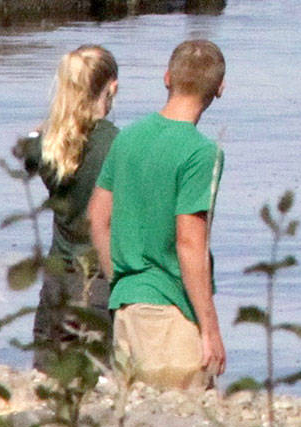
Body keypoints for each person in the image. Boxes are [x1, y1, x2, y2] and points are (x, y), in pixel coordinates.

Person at [89, 39, 226, 391]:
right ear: (220, 89)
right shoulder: (201, 153)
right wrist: (210, 330)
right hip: (171, 312)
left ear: (167, 78)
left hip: (126, 306)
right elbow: (189, 243)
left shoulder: (128, 138)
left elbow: (98, 218)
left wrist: (119, 279)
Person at [18, 46, 120, 368]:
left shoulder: (43, 146)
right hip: (100, 277)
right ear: (112, 87)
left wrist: (45, 126)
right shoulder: (118, 144)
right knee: (99, 374)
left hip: (58, 275)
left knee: (49, 372)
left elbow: (29, 147)